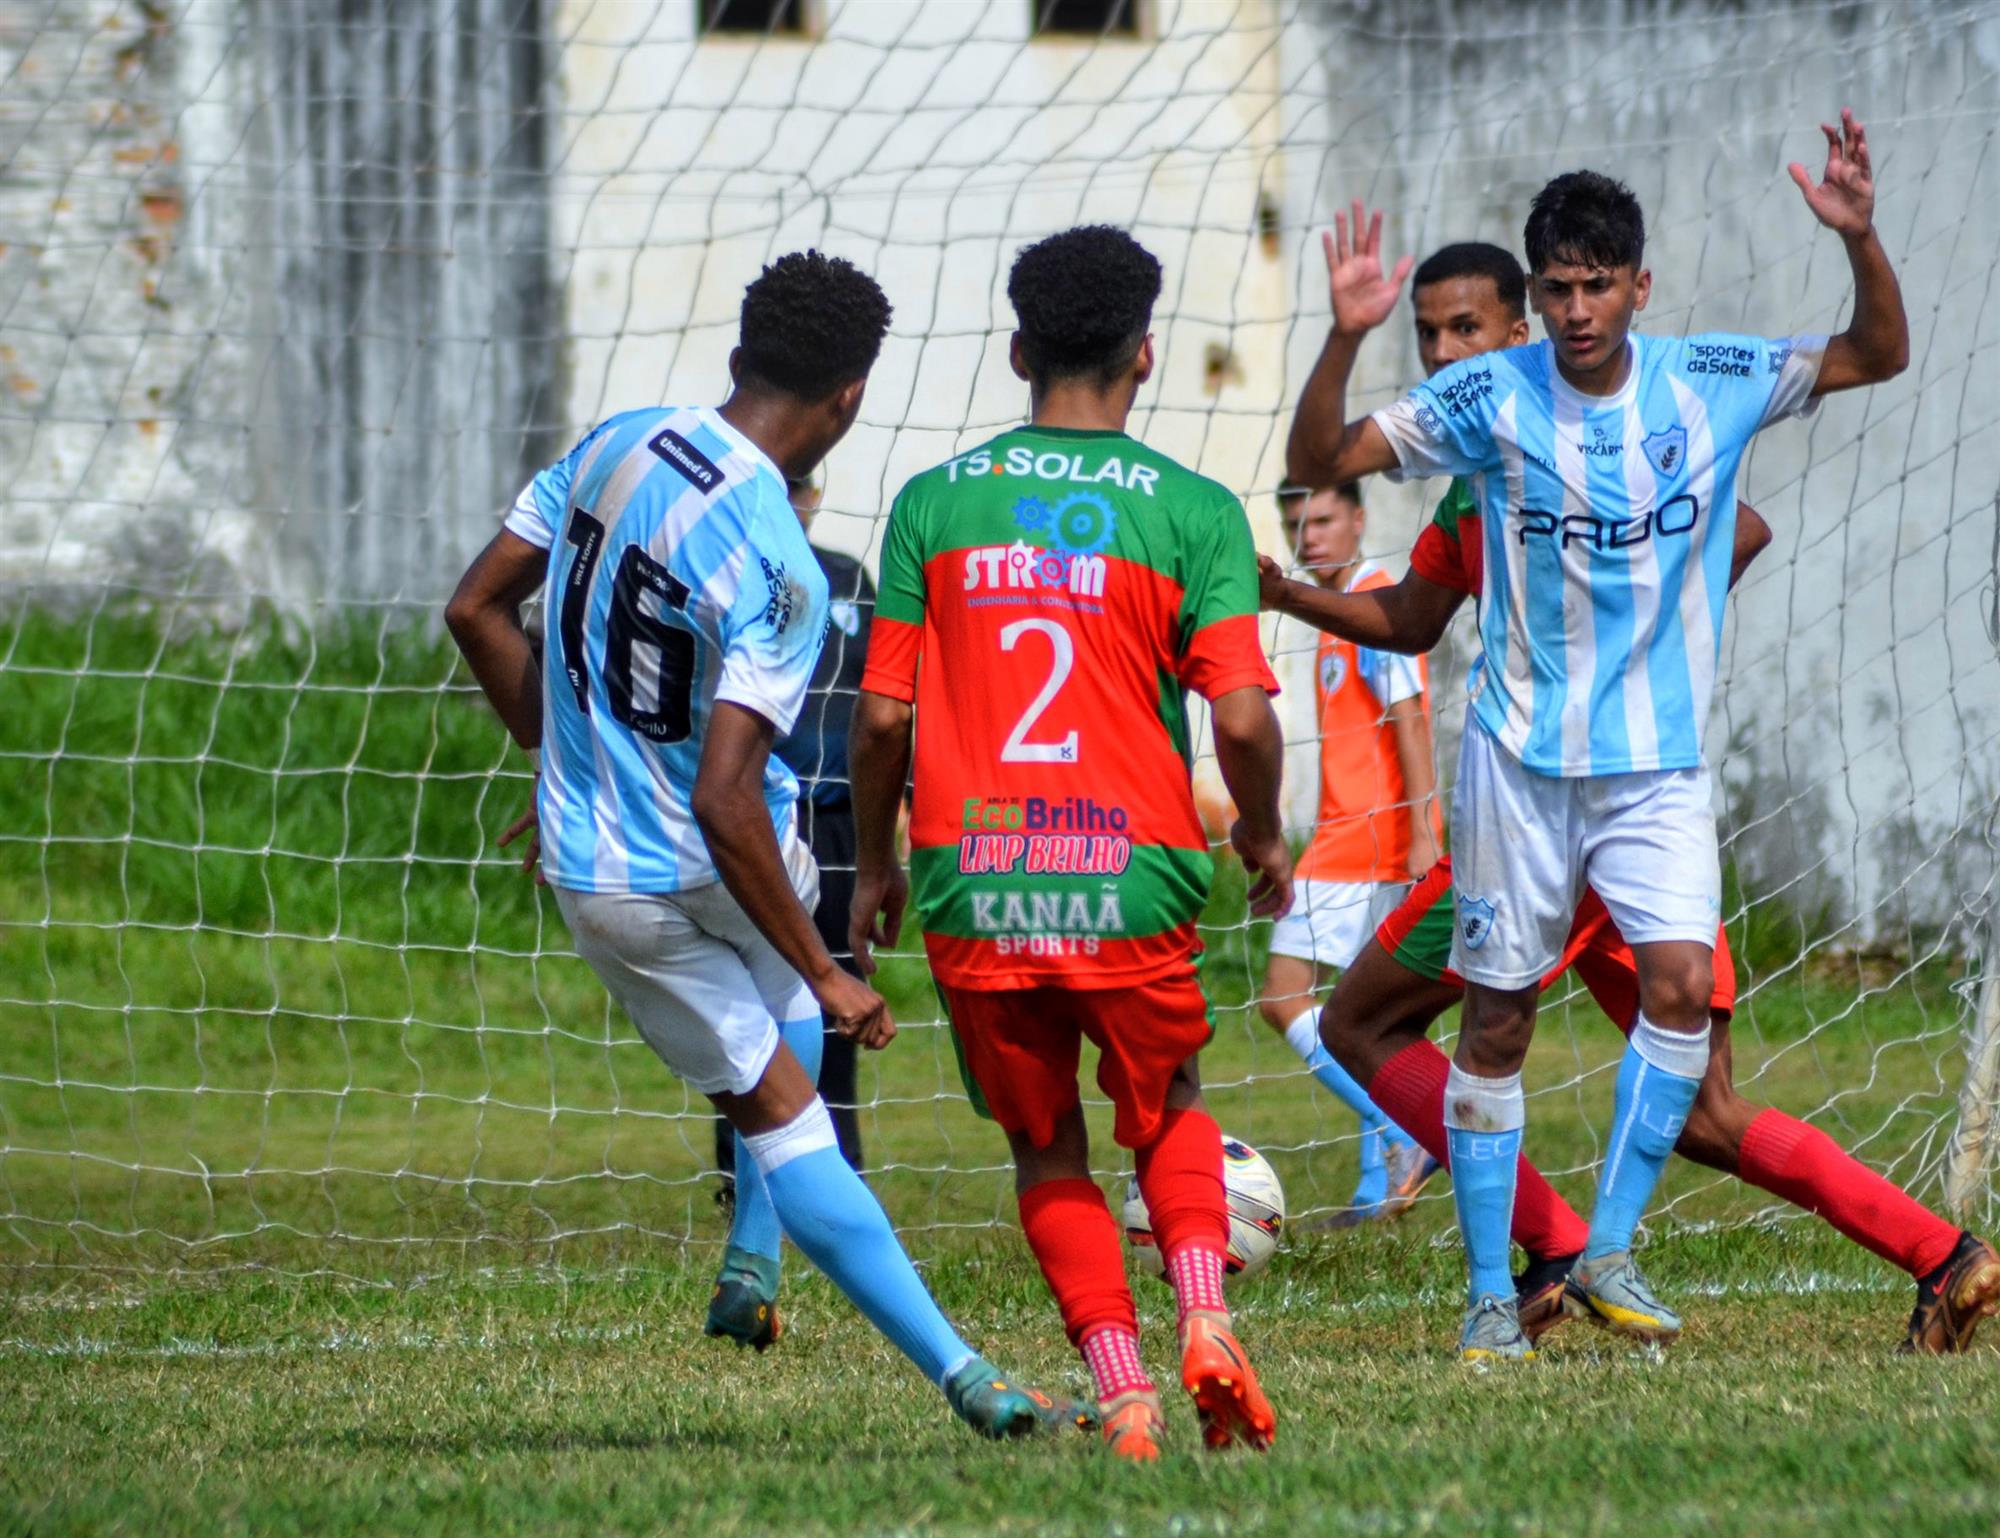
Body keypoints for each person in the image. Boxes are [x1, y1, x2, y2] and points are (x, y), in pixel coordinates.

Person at [1266, 242, 2000, 1355]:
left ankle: (1555, 1242)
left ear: (1522, 332)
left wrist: (1630, 635)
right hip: (1609, 803)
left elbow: (1737, 522)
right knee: (1702, 1113)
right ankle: (1941, 1253)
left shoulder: (1588, 441)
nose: (1443, 353)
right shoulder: (1482, 481)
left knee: (1360, 1019)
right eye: (1428, 335)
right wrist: (1289, 594)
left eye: (1466, 330)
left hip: (1582, 803)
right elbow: (1415, 618)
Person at [445, 248, 1089, 1438]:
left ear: (741, 350)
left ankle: (769, 1274)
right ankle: (967, 1379)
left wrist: (563, 753)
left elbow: (473, 605)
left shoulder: (615, 440)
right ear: (849, 398)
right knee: (795, 1034)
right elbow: (726, 799)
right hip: (713, 858)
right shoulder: (783, 569)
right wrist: (828, 968)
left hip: (600, 883)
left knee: (771, 1100)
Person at [848, 226, 1292, 1460]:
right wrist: (1259, 834)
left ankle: (1126, 1393)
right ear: (1145, 355)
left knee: (1046, 1144)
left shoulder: (931, 503)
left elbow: (883, 712)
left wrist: (877, 865)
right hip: (1132, 869)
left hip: (972, 874)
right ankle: (1204, 1318)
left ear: (1015, 351)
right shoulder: (1195, 511)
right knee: (1171, 1106)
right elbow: (1245, 716)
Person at [705, 467, 873, 1349]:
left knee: (831, 998)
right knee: (745, 1009)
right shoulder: (730, 573)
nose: (802, 494)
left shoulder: (848, 579)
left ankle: (833, 1178)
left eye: (811, 483)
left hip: (838, 820)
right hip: (748, 818)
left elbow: (885, 707)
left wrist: (902, 816)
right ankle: (751, 1190)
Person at [1258, 477, 1441, 1224]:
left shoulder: (1377, 603)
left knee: (1281, 996)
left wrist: (1424, 827)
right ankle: (1377, 1183)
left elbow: (1410, 716)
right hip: (1353, 833)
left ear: (1359, 519)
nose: (1310, 539)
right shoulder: (1334, 615)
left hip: (1365, 838)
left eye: (1324, 520)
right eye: (1296, 525)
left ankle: (1402, 1127)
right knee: (1356, 1018)